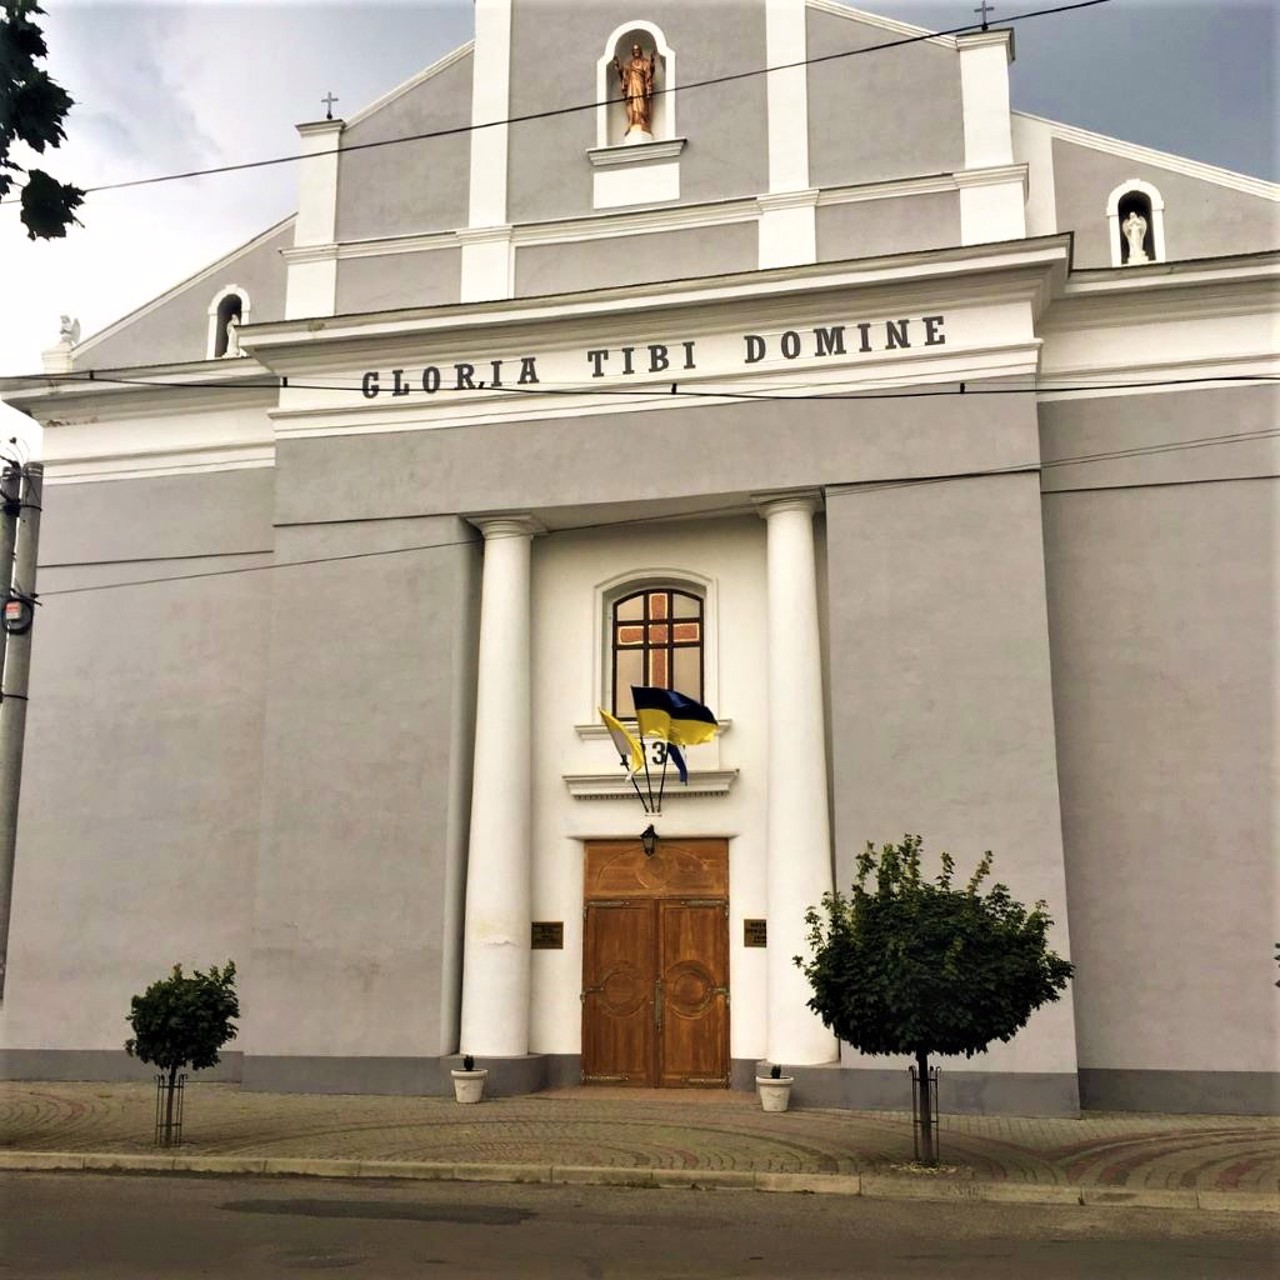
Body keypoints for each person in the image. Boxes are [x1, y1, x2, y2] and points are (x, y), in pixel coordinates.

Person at [613, 43, 657, 138]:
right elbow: (623, 72)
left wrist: (652, 60)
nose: (636, 52)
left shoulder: (645, 62)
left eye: (637, 50)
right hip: (631, 87)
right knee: (631, 103)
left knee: (641, 103)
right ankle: (632, 122)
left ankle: (642, 121)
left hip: (641, 87)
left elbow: (650, 70)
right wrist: (618, 65)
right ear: (632, 53)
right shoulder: (629, 64)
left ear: (640, 51)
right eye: (634, 50)